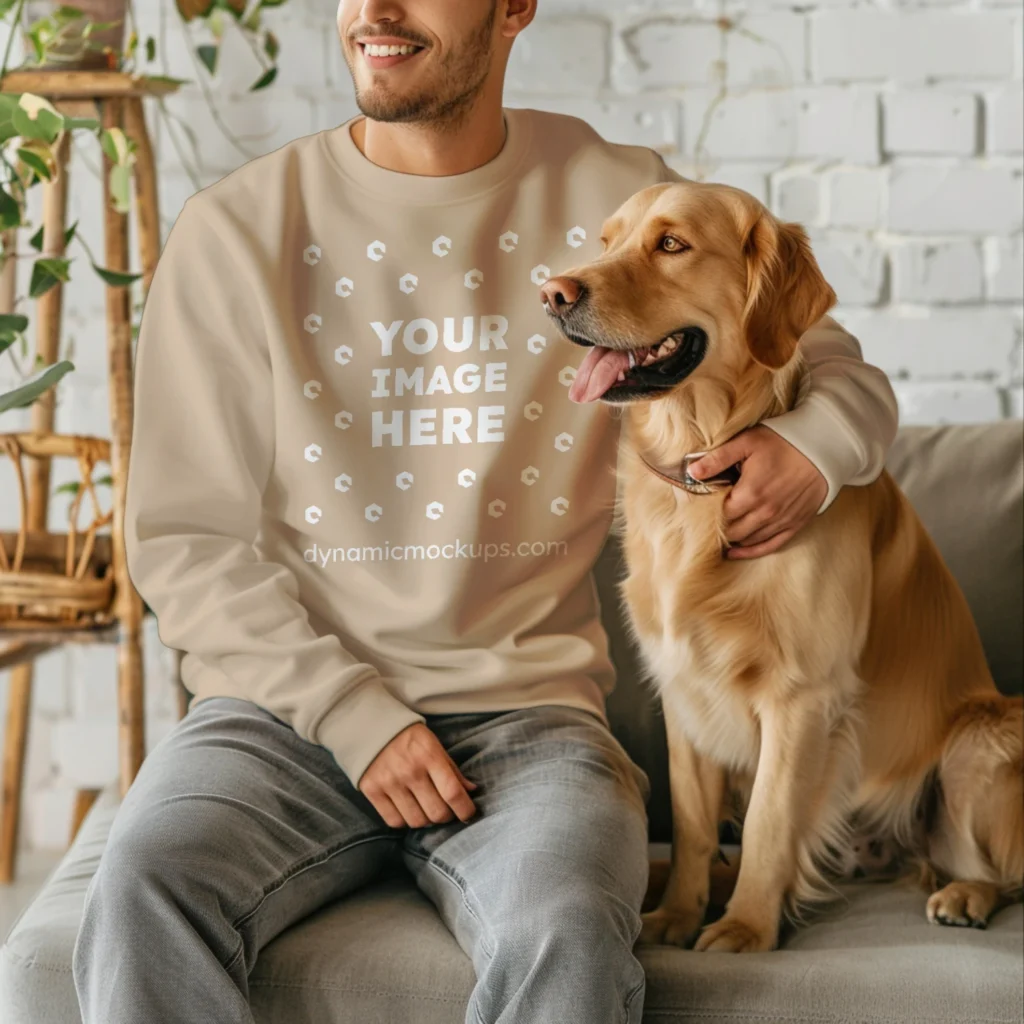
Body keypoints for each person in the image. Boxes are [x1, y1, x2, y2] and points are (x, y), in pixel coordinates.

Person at [71, 2, 899, 1022]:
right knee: (141, 888)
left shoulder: (612, 195)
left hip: (533, 723)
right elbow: (182, 541)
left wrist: (812, 450)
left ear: (513, 9)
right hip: (278, 719)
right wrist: (353, 717)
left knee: (566, 928)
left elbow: (830, 363)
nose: (374, 10)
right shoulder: (238, 228)